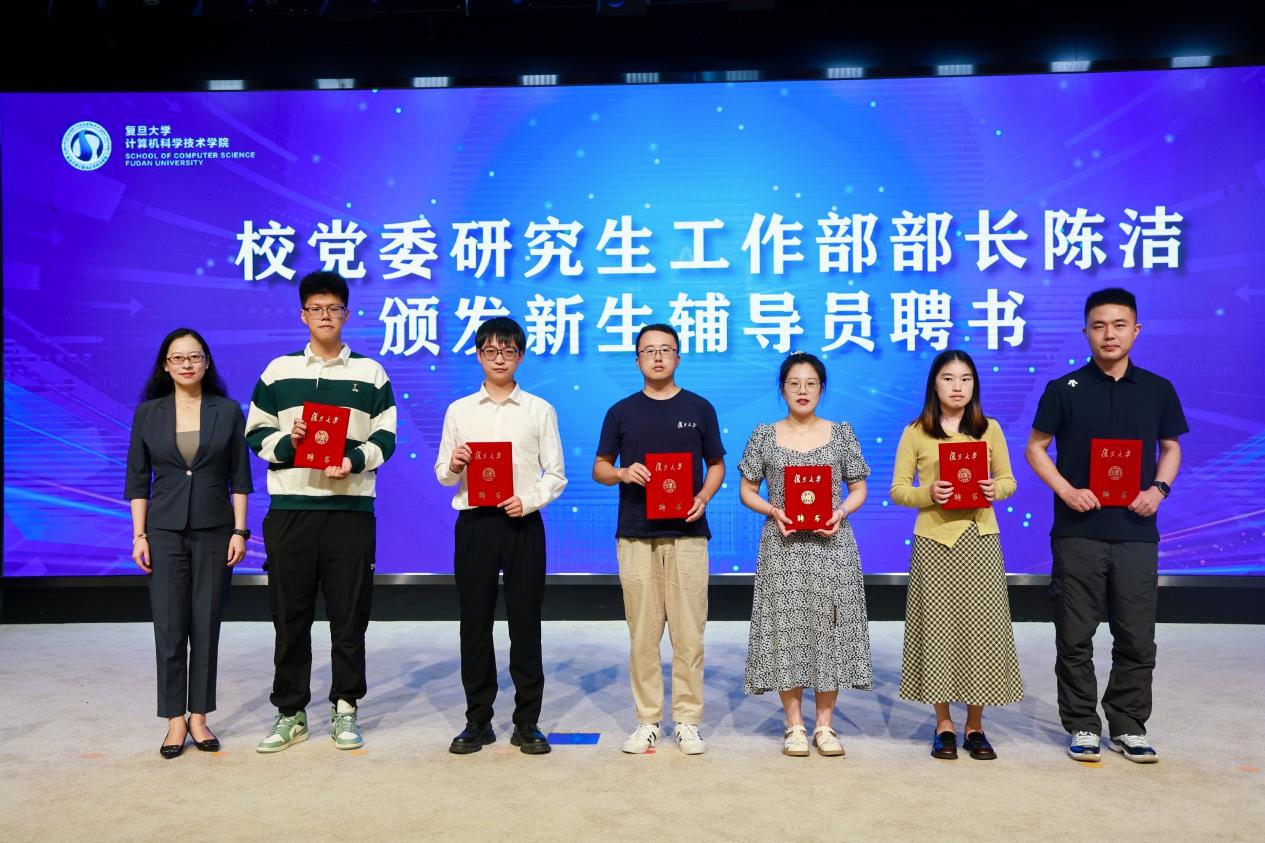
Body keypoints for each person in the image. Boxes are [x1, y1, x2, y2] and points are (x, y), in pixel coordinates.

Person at [1026, 287, 1187, 764]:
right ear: (1086, 332)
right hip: (1077, 531)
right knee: (1074, 635)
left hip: (1136, 532)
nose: (1109, 334)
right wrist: (1066, 490)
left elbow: (1171, 447)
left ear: (1136, 330)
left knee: (1136, 636)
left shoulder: (1158, 389)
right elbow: (1036, 447)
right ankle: (1081, 724)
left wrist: (1158, 490)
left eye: (1119, 325)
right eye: (1099, 326)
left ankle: (1129, 725)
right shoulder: (1064, 389)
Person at [245, 270, 397, 753]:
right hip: (291, 509)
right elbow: (255, 434)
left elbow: (386, 437)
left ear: (346, 314)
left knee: (349, 616)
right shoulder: (278, 371)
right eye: (316, 309)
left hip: (349, 510)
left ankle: (345, 707)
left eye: (333, 308)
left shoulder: (371, 373)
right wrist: (289, 443)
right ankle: (291, 711)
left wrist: (352, 460)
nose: (325, 316)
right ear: (303, 315)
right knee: (289, 616)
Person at [435, 317, 567, 755]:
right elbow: (442, 475)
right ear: (478, 355)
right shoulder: (459, 410)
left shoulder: (539, 409)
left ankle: (527, 721)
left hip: (522, 523)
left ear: (520, 356)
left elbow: (556, 474)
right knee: (474, 622)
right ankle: (478, 720)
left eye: (508, 351)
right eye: (491, 351)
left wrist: (528, 500)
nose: (499, 359)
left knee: (525, 623)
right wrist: (455, 464)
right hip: (475, 524)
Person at [593, 323, 725, 755]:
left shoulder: (700, 408)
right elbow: (599, 468)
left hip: (688, 535)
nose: (657, 356)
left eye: (666, 349)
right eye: (649, 350)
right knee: (643, 636)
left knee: (689, 635)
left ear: (678, 358)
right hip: (636, 535)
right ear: (637, 360)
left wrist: (703, 496)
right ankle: (647, 720)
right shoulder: (621, 411)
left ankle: (687, 721)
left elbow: (717, 465)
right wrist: (622, 472)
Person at [889, 349, 1023, 761]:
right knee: (939, 631)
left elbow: (1009, 481)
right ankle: (943, 723)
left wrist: (994, 490)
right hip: (934, 542)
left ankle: (975, 725)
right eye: (948, 378)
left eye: (966, 379)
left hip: (980, 539)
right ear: (934, 384)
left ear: (974, 385)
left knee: (981, 632)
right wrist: (928, 493)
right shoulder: (916, 432)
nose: (958, 386)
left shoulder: (989, 429)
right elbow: (898, 490)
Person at [737, 351, 872, 757]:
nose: (802, 390)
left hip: (832, 546)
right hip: (784, 547)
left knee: (829, 630)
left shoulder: (841, 433)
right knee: (788, 630)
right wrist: (772, 510)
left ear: (822, 388)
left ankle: (824, 726)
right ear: (782, 389)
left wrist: (841, 512)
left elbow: (859, 488)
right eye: (794, 383)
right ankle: (794, 724)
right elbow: (747, 490)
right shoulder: (764, 435)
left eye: (811, 383)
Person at [125, 328, 252, 759]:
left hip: (216, 531)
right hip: (163, 531)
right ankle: (174, 720)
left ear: (206, 362)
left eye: (194, 357)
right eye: (177, 358)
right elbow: (138, 480)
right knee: (169, 627)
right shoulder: (148, 413)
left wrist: (239, 531)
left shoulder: (227, 411)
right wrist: (139, 535)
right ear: (165, 365)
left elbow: (240, 477)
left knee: (206, 626)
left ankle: (198, 716)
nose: (186, 364)